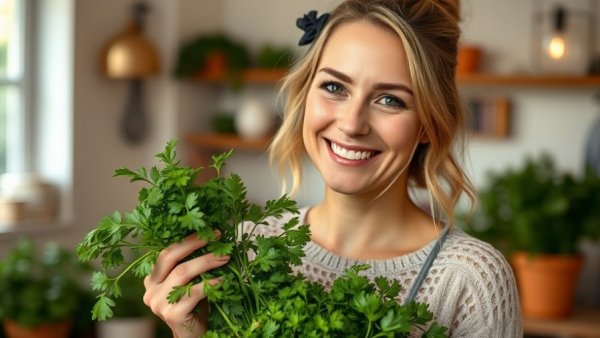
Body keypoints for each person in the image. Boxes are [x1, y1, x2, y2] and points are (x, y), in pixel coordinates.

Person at [143, 0, 523, 337]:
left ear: (427, 123)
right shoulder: (249, 248)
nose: (352, 123)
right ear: (305, 94)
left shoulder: (471, 280)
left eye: (390, 99)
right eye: (335, 88)